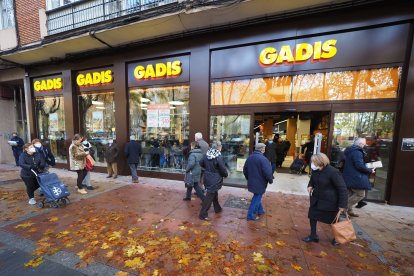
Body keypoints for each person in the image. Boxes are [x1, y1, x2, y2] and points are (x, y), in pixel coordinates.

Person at [303, 153, 348, 246]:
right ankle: (313, 235)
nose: (312, 164)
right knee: (312, 216)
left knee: (333, 220)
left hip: (329, 201)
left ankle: (337, 237)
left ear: (320, 162)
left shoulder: (333, 172)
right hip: (316, 198)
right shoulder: (315, 170)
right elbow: (312, 180)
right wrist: (310, 185)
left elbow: (342, 189)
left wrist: (342, 205)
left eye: (313, 162)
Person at [342, 138, 374, 217]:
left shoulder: (350, 150)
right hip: (356, 177)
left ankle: (349, 211)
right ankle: (343, 209)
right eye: (363, 144)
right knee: (360, 194)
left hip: (349, 176)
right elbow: (359, 166)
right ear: (360, 144)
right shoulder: (357, 152)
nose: (364, 146)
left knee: (350, 194)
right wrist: (370, 170)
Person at [243, 143, 273, 221]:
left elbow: (245, 169)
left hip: (252, 182)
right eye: (264, 148)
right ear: (262, 149)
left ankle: (260, 210)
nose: (264, 150)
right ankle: (250, 215)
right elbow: (268, 172)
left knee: (257, 195)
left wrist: (248, 178)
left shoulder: (250, 157)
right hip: (260, 182)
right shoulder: (263, 159)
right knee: (257, 197)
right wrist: (270, 180)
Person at [199, 141, 228, 221]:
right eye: (221, 147)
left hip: (207, 177)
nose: (221, 148)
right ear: (218, 148)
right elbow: (222, 168)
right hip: (215, 179)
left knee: (213, 192)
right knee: (209, 196)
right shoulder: (218, 156)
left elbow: (201, 162)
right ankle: (203, 214)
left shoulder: (207, 155)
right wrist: (225, 175)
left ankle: (217, 208)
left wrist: (208, 169)